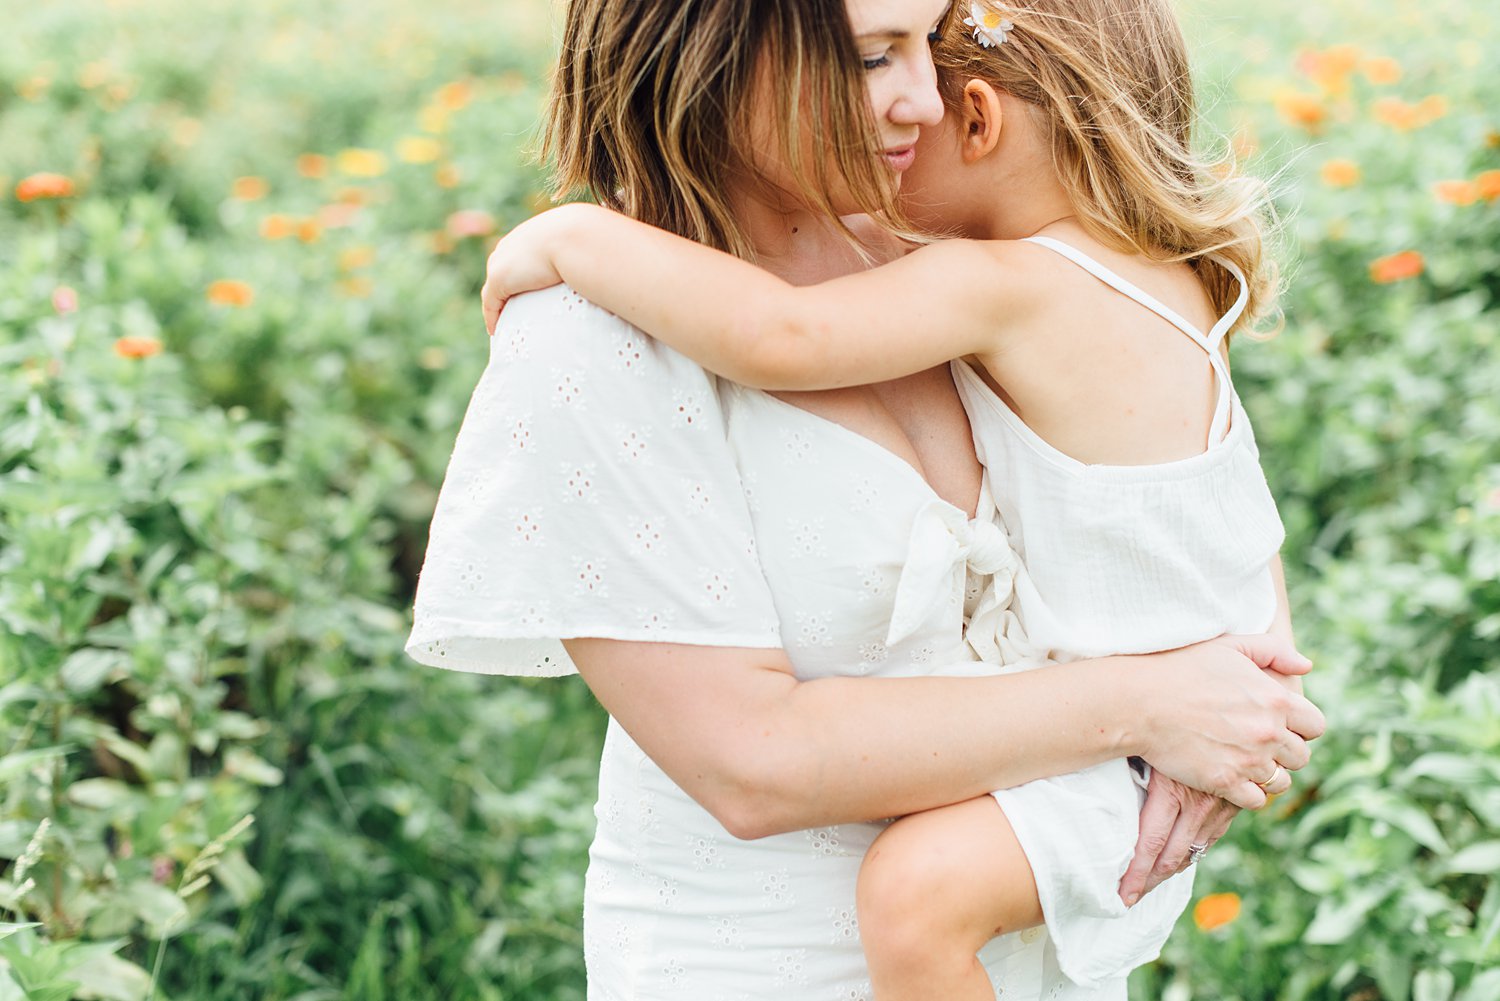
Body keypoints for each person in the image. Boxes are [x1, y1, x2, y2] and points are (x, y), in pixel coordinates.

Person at [409, 0, 1324, 998]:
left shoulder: (941, 246)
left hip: (1016, 943)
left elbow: (1186, 476)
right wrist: (1153, 703)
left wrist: (1245, 680)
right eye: (877, 55)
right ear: (721, 41)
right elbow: (748, 764)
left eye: (929, 47)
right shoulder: (593, 338)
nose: (925, 101)